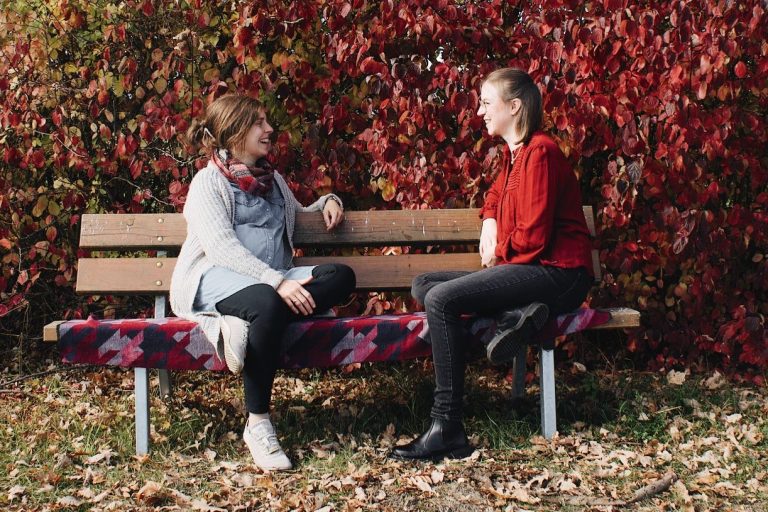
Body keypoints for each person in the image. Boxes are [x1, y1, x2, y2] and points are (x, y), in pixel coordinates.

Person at [391, 68, 594, 461]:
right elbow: (495, 197)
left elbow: (533, 240)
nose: (480, 112)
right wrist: (489, 220)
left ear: (514, 106)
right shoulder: (514, 155)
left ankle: (446, 428)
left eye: (486, 103)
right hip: (535, 269)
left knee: (441, 301)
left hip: (560, 273)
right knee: (425, 285)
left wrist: (497, 250)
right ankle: (516, 315)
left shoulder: (540, 153)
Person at [169, 94, 356, 471]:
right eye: (258, 123)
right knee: (269, 301)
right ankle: (257, 423)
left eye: (266, 121)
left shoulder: (273, 181)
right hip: (213, 278)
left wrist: (328, 202)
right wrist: (277, 283)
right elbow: (221, 248)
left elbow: (299, 214)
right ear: (234, 131)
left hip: (267, 283)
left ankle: (249, 323)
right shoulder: (208, 183)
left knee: (341, 277)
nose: (269, 129)